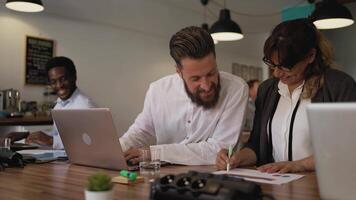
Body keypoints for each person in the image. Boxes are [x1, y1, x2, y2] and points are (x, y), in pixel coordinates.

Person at [216, 18, 356, 173]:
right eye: (272, 65)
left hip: (322, 185)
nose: (276, 73)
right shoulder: (267, 90)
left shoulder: (338, 86)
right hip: (276, 186)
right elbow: (256, 144)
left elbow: (348, 146)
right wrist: (237, 158)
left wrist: (299, 165)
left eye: (286, 66)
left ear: (310, 56)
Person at [120, 26, 248, 165]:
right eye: (196, 79)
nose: (206, 86)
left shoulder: (236, 89)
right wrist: (116, 150)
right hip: (162, 177)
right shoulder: (157, 90)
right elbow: (140, 131)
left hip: (212, 176)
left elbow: (218, 150)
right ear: (179, 72)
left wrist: (154, 153)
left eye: (211, 74)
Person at [25, 56, 97, 149]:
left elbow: (88, 142)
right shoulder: (59, 105)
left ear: (74, 77)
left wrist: (51, 140)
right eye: (53, 81)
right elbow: (57, 134)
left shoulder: (85, 106)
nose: (59, 85)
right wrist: (27, 135)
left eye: (63, 79)